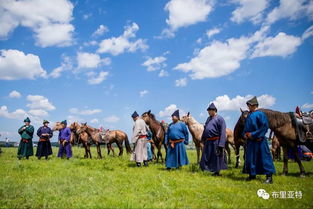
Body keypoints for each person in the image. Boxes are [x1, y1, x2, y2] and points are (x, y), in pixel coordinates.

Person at [243, 96, 276, 184]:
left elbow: (264, 127)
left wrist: (253, 134)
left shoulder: (261, 114)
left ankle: (269, 177)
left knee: (264, 159)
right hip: (251, 142)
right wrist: (245, 134)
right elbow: (246, 127)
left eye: (249, 105)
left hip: (260, 141)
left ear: (254, 105)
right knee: (251, 159)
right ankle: (252, 175)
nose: (248, 107)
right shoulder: (250, 115)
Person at [200, 103, 227, 175]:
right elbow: (205, 129)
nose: (208, 112)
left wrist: (221, 144)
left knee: (216, 157)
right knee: (206, 156)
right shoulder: (208, 119)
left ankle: (216, 172)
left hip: (216, 141)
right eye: (208, 111)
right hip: (208, 141)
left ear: (214, 110)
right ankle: (206, 169)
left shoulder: (220, 119)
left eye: (209, 110)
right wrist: (203, 139)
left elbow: (222, 131)